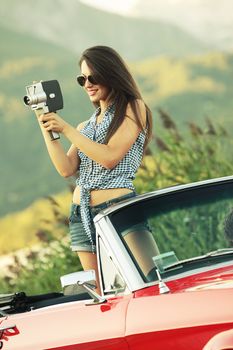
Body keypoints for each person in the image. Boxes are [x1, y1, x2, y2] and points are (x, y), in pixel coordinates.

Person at [35, 45, 153, 293]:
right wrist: (49, 130)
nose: (87, 84)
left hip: (118, 209)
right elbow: (66, 169)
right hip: (80, 213)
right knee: (101, 293)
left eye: (93, 77)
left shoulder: (134, 108)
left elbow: (109, 157)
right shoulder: (85, 125)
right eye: (82, 79)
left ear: (111, 74)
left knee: (148, 281)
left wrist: (67, 130)